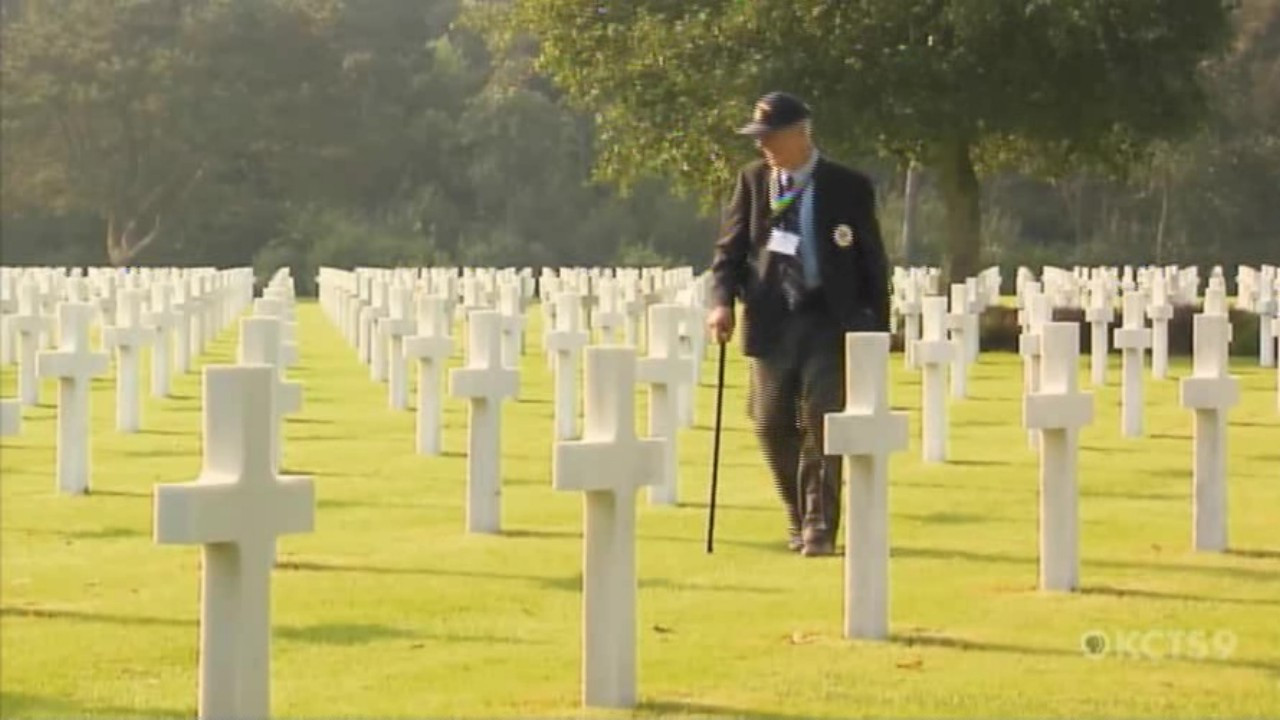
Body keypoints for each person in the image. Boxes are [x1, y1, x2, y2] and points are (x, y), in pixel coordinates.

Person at [707, 91, 890, 557]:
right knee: (770, 423)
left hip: (829, 319)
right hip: (771, 318)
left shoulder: (847, 186)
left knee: (822, 421)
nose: (761, 146)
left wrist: (875, 325)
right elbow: (729, 253)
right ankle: (797, 511)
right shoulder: (753, 183)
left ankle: (819, 526)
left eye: (769, 137)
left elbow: (872, 259)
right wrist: (722, 302)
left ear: (799, 134)